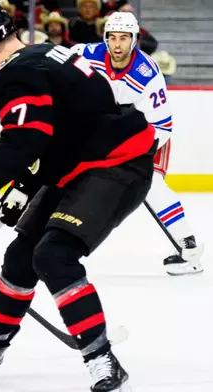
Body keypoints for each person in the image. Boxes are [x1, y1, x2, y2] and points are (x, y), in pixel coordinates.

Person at [0, 3, 156, 391]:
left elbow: (26, 137)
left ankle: (103, 359)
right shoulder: (43, 53)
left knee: (54, 255)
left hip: (116, 165)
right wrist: (27, 184)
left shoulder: (16, 72)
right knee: (20, 258)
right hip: (83, 162)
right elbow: (62, 128)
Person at [72, 12, 203, 275]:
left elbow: (162, 127)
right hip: (103, 132)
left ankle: (188, 247)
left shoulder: (147, 73)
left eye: (124, 38)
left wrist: (124, 152)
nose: (118, 45)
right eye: (112, 37)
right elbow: (53, 69)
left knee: (150, 183)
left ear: (134, 40)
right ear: (104, 38)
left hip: (147, 134)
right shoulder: (84, 54)